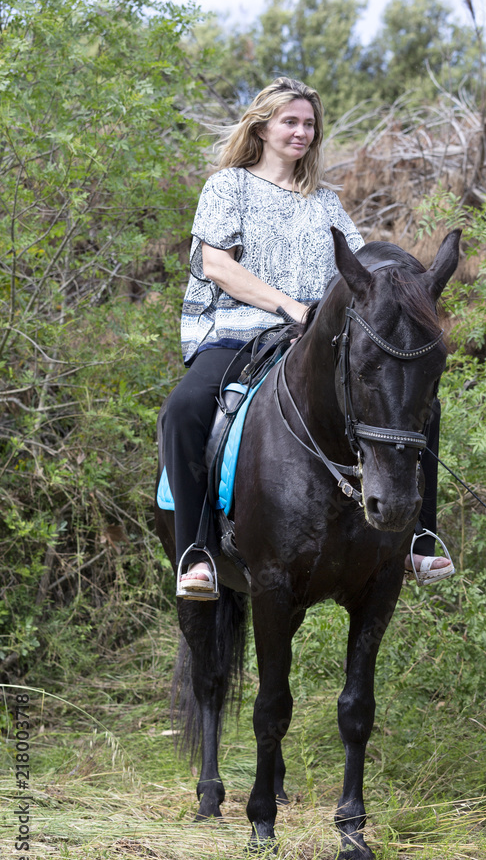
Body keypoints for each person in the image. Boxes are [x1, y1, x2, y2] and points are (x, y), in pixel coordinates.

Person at [161, 76, 452, 599]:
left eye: (309, 124)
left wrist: (407, 284)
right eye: (290, 121)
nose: (301, 132)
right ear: (262, 126)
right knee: (183, 410)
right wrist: (291, 307)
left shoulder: (325, 203)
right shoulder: (228, 186)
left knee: (415, 406)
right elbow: (217, 266)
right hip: (234, 332)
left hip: (312, 340)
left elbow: (362, 268)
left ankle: (422, 538)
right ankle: (196, 551)